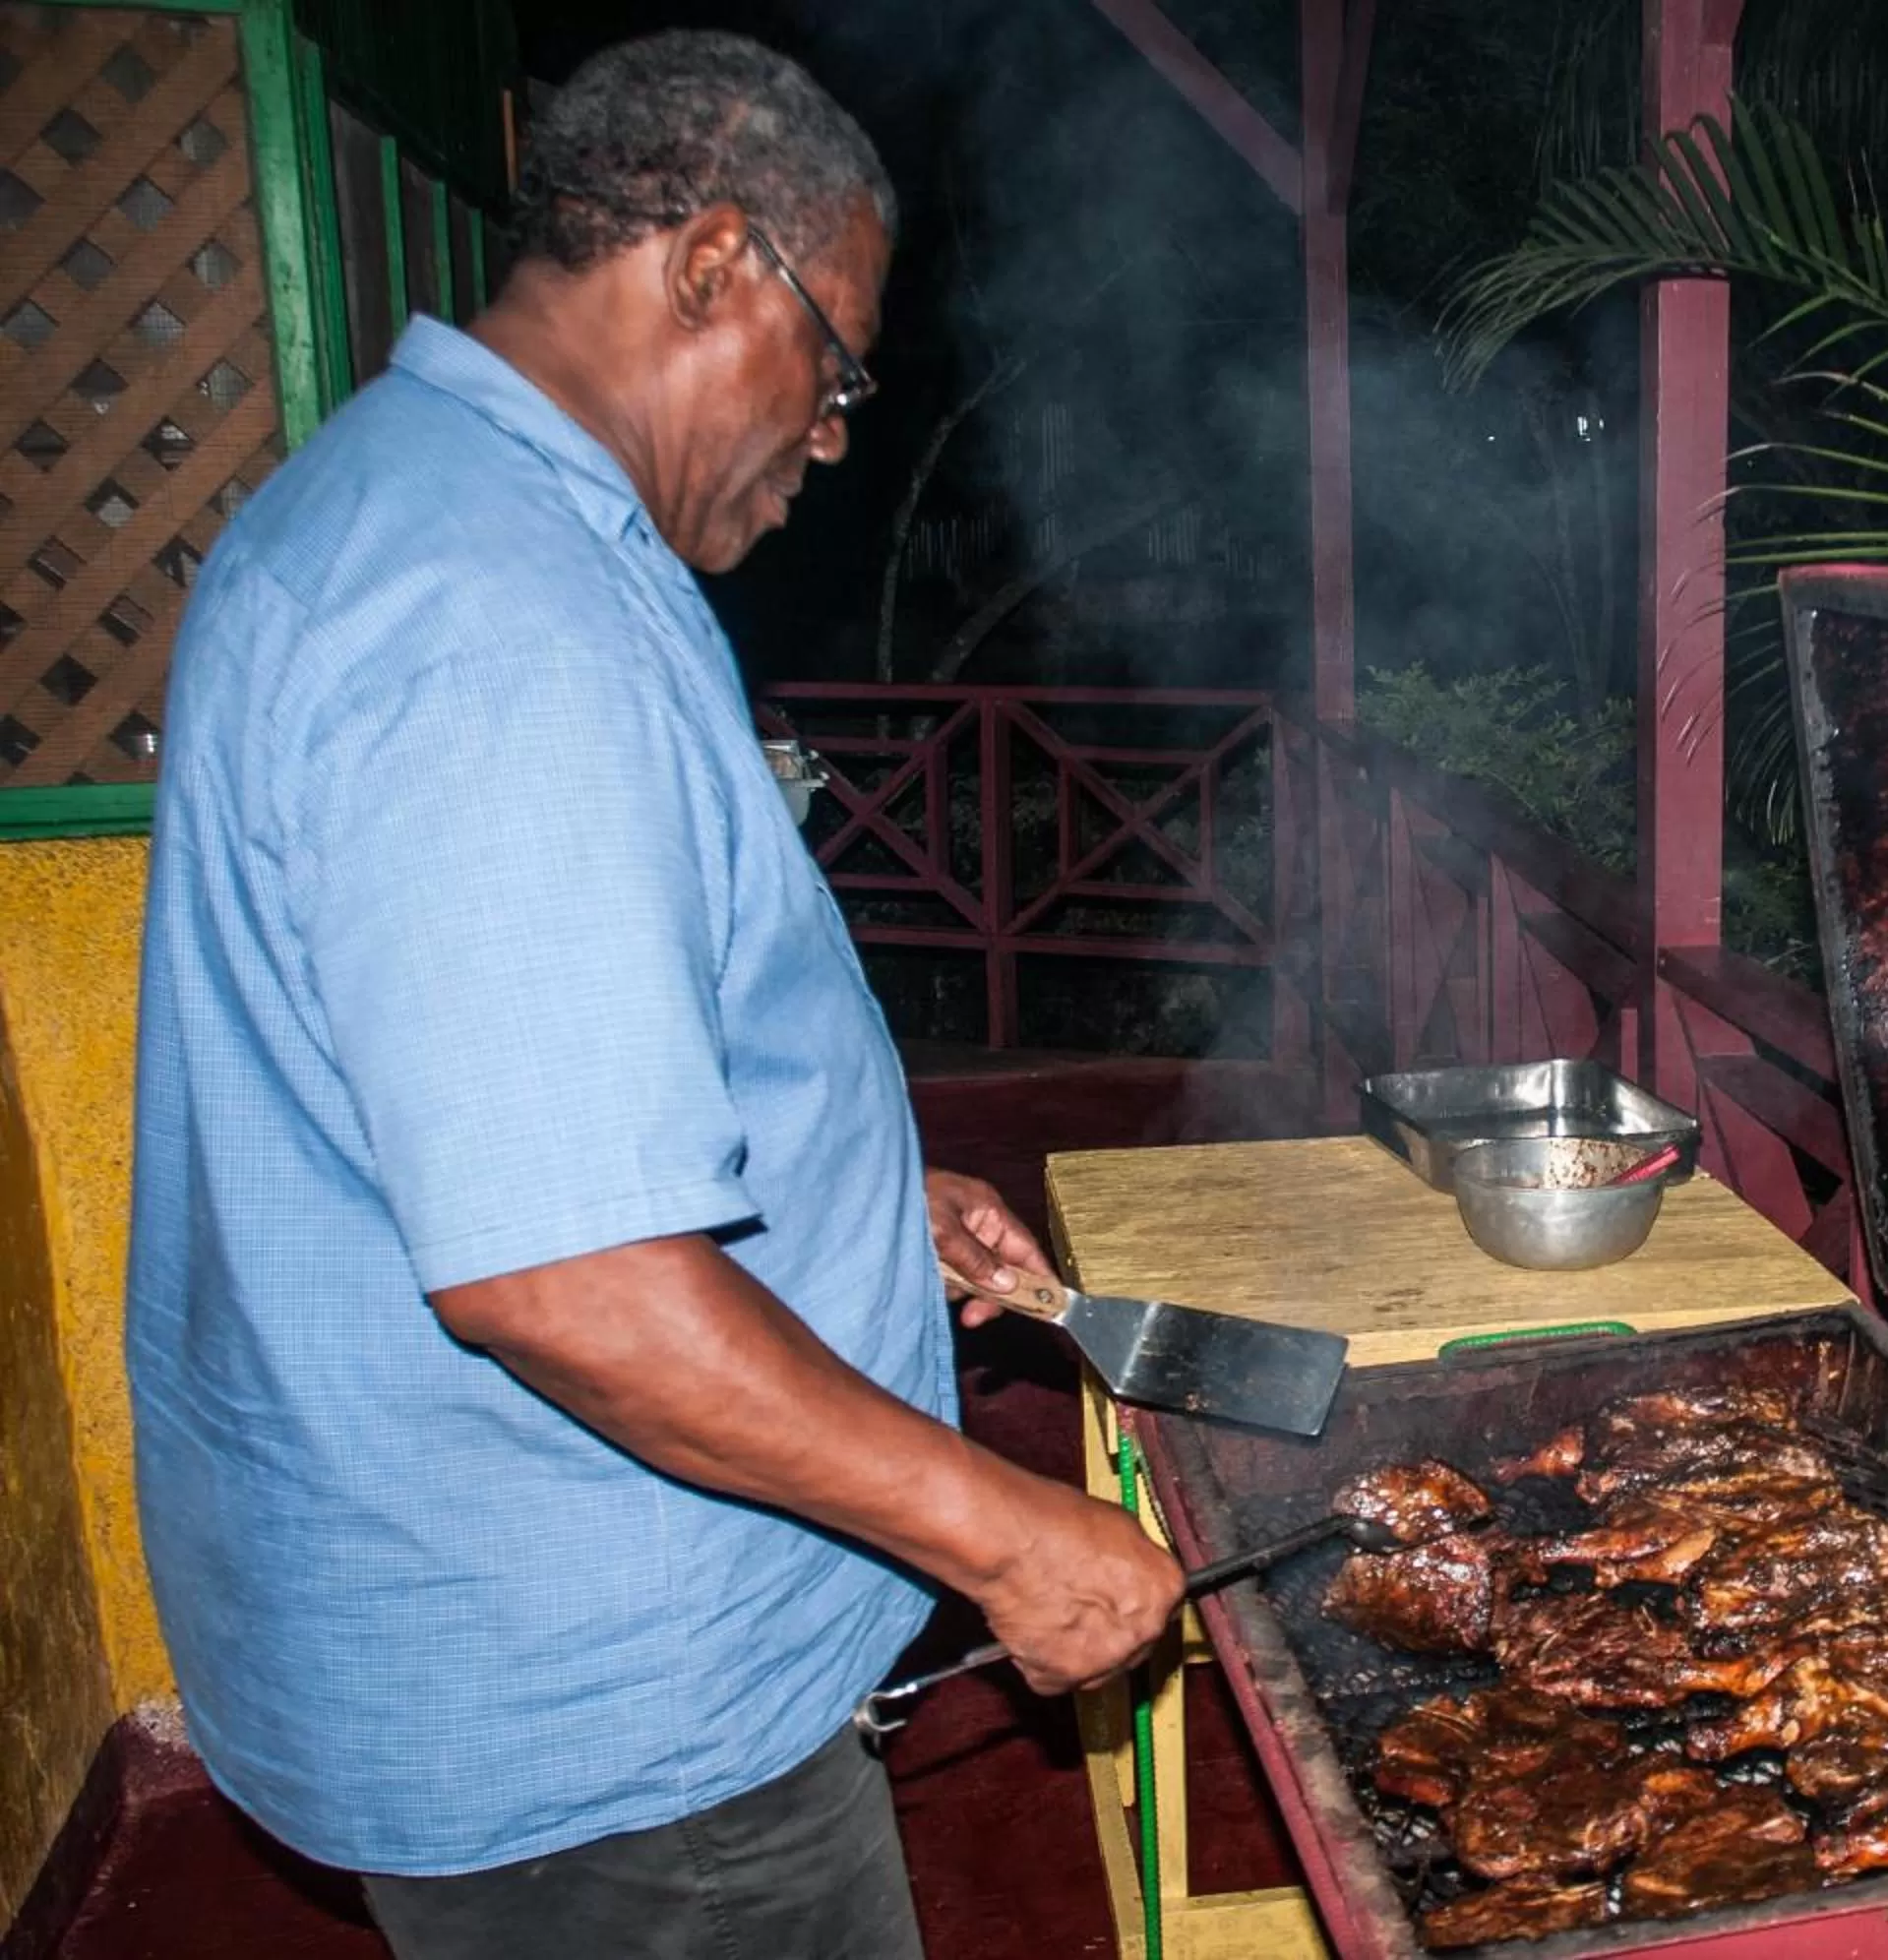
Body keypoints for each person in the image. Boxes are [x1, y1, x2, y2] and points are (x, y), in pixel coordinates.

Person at [122, 31, 1183, 1960]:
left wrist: (850, 1211)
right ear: (711, 266)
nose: (839, 432)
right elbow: (571, 1283)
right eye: (838, 361)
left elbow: (525, 1091)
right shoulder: (496, 616)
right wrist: (1005, 1532)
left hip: (511, 1627)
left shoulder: (408, 509)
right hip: (613, 1730)